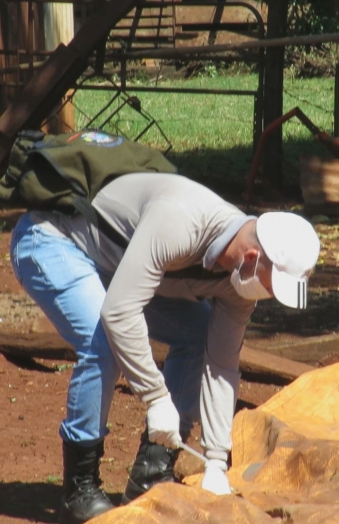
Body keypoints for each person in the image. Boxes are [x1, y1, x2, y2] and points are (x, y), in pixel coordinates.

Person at [9, 170, 320, 523]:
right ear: (250, 258)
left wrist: (216, 459)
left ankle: (150, 473)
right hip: (51, 240)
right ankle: (79, 488)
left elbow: (221, 362)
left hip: (115, 263)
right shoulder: (181, 222)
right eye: (271, 285)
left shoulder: (239, 282)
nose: (268, 296)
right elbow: (119, 311)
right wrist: (156, 398)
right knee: (105, 340)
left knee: (199, 332)